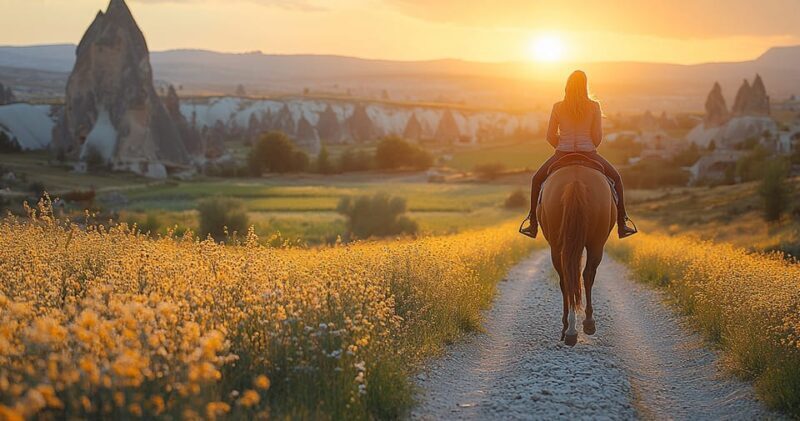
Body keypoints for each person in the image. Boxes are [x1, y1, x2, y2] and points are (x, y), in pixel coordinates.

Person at [525, 70, 637, 239]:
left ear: (567, 86)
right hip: (589, 153)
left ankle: (532, 223)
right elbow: (597, 138)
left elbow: (549, 136)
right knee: (617, 179)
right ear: (585, 85)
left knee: (536, 179)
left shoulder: (558, 106)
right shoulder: (594, 106)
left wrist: (563, 147)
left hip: (562, 153)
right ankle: (622, 224)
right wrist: (586, 145)